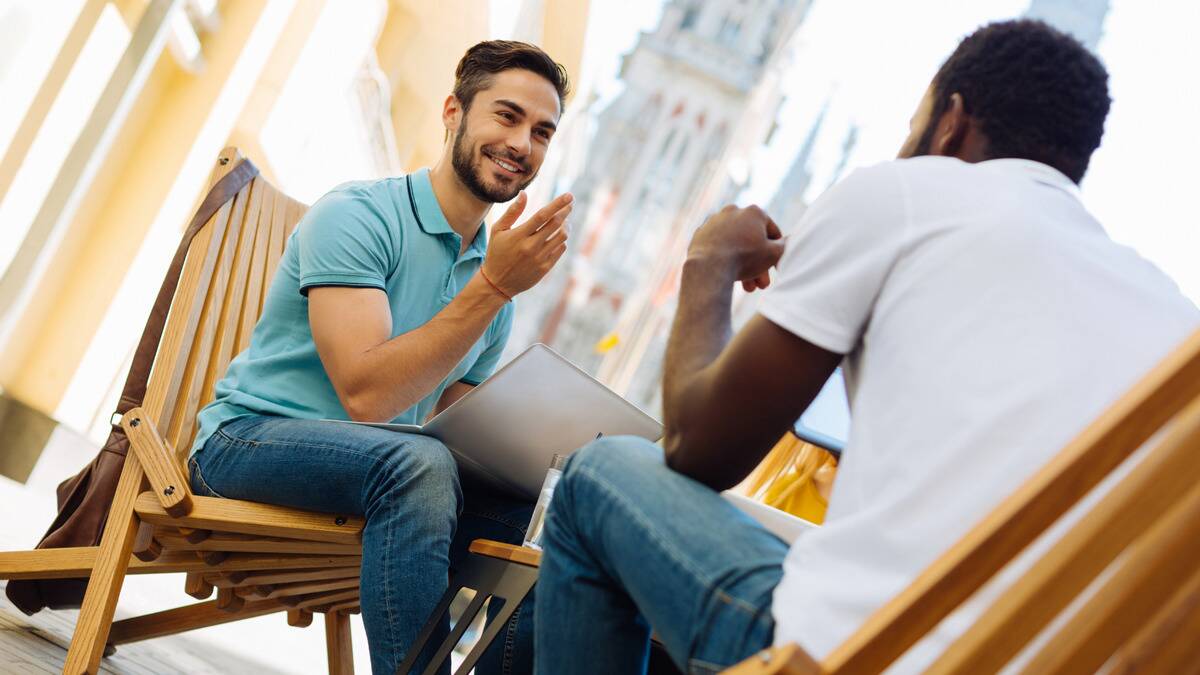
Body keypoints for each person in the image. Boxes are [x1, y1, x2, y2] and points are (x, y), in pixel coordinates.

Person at [533, 19, 1199, 675]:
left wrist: (708, 263)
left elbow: (699, 449)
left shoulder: (908, 193)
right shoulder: (1172, 315)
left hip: (844, 655)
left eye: (913, 124)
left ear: (951, 122)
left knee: (600, 473)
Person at [188, 40, 573, 675]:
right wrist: (493, 288)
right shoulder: (360, 214)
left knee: (556, 530)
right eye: (506, 116)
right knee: (417, 463)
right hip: (246, 446)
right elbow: (367, 397)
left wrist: (548, 464)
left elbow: (452, 423)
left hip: (380, 474)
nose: (522, 145)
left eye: (541, 132)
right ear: (453, 112)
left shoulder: (492, 281)